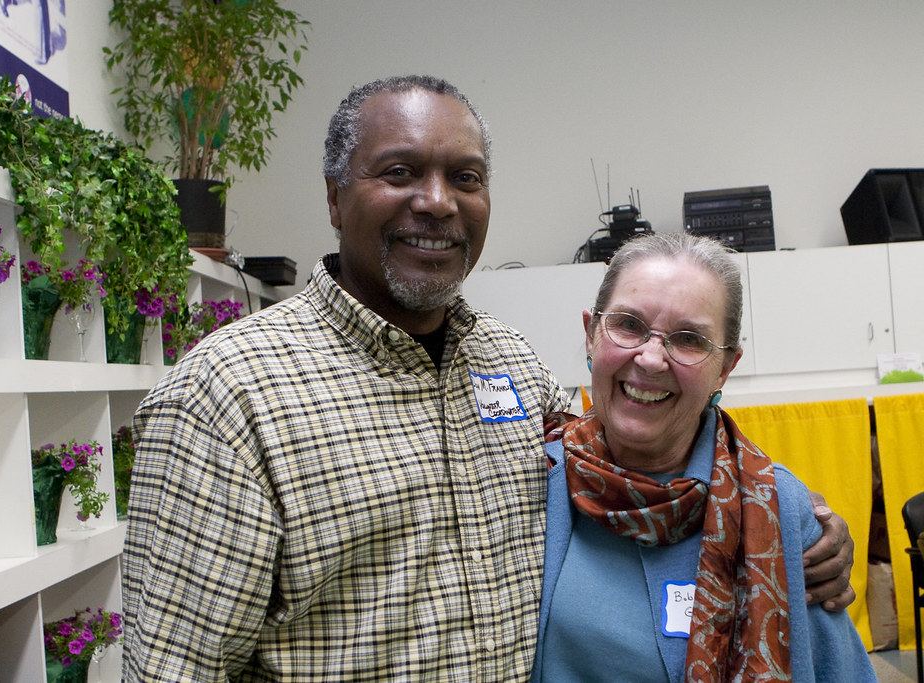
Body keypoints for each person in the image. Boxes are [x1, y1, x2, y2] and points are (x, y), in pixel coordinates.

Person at [121, 75, 855, 681]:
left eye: (464, 178)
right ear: (335, 195)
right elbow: (172, 669)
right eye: (400, 171)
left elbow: (637, 468)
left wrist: (795, 523)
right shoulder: (227, 395)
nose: (437, 201)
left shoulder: (512, 365)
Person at [531, 232, 874, 682]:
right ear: (592, 335)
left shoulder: (779, 509)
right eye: (629, 325)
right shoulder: (533, 481)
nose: (651, 359)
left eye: (689, 339)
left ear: (725, 369)